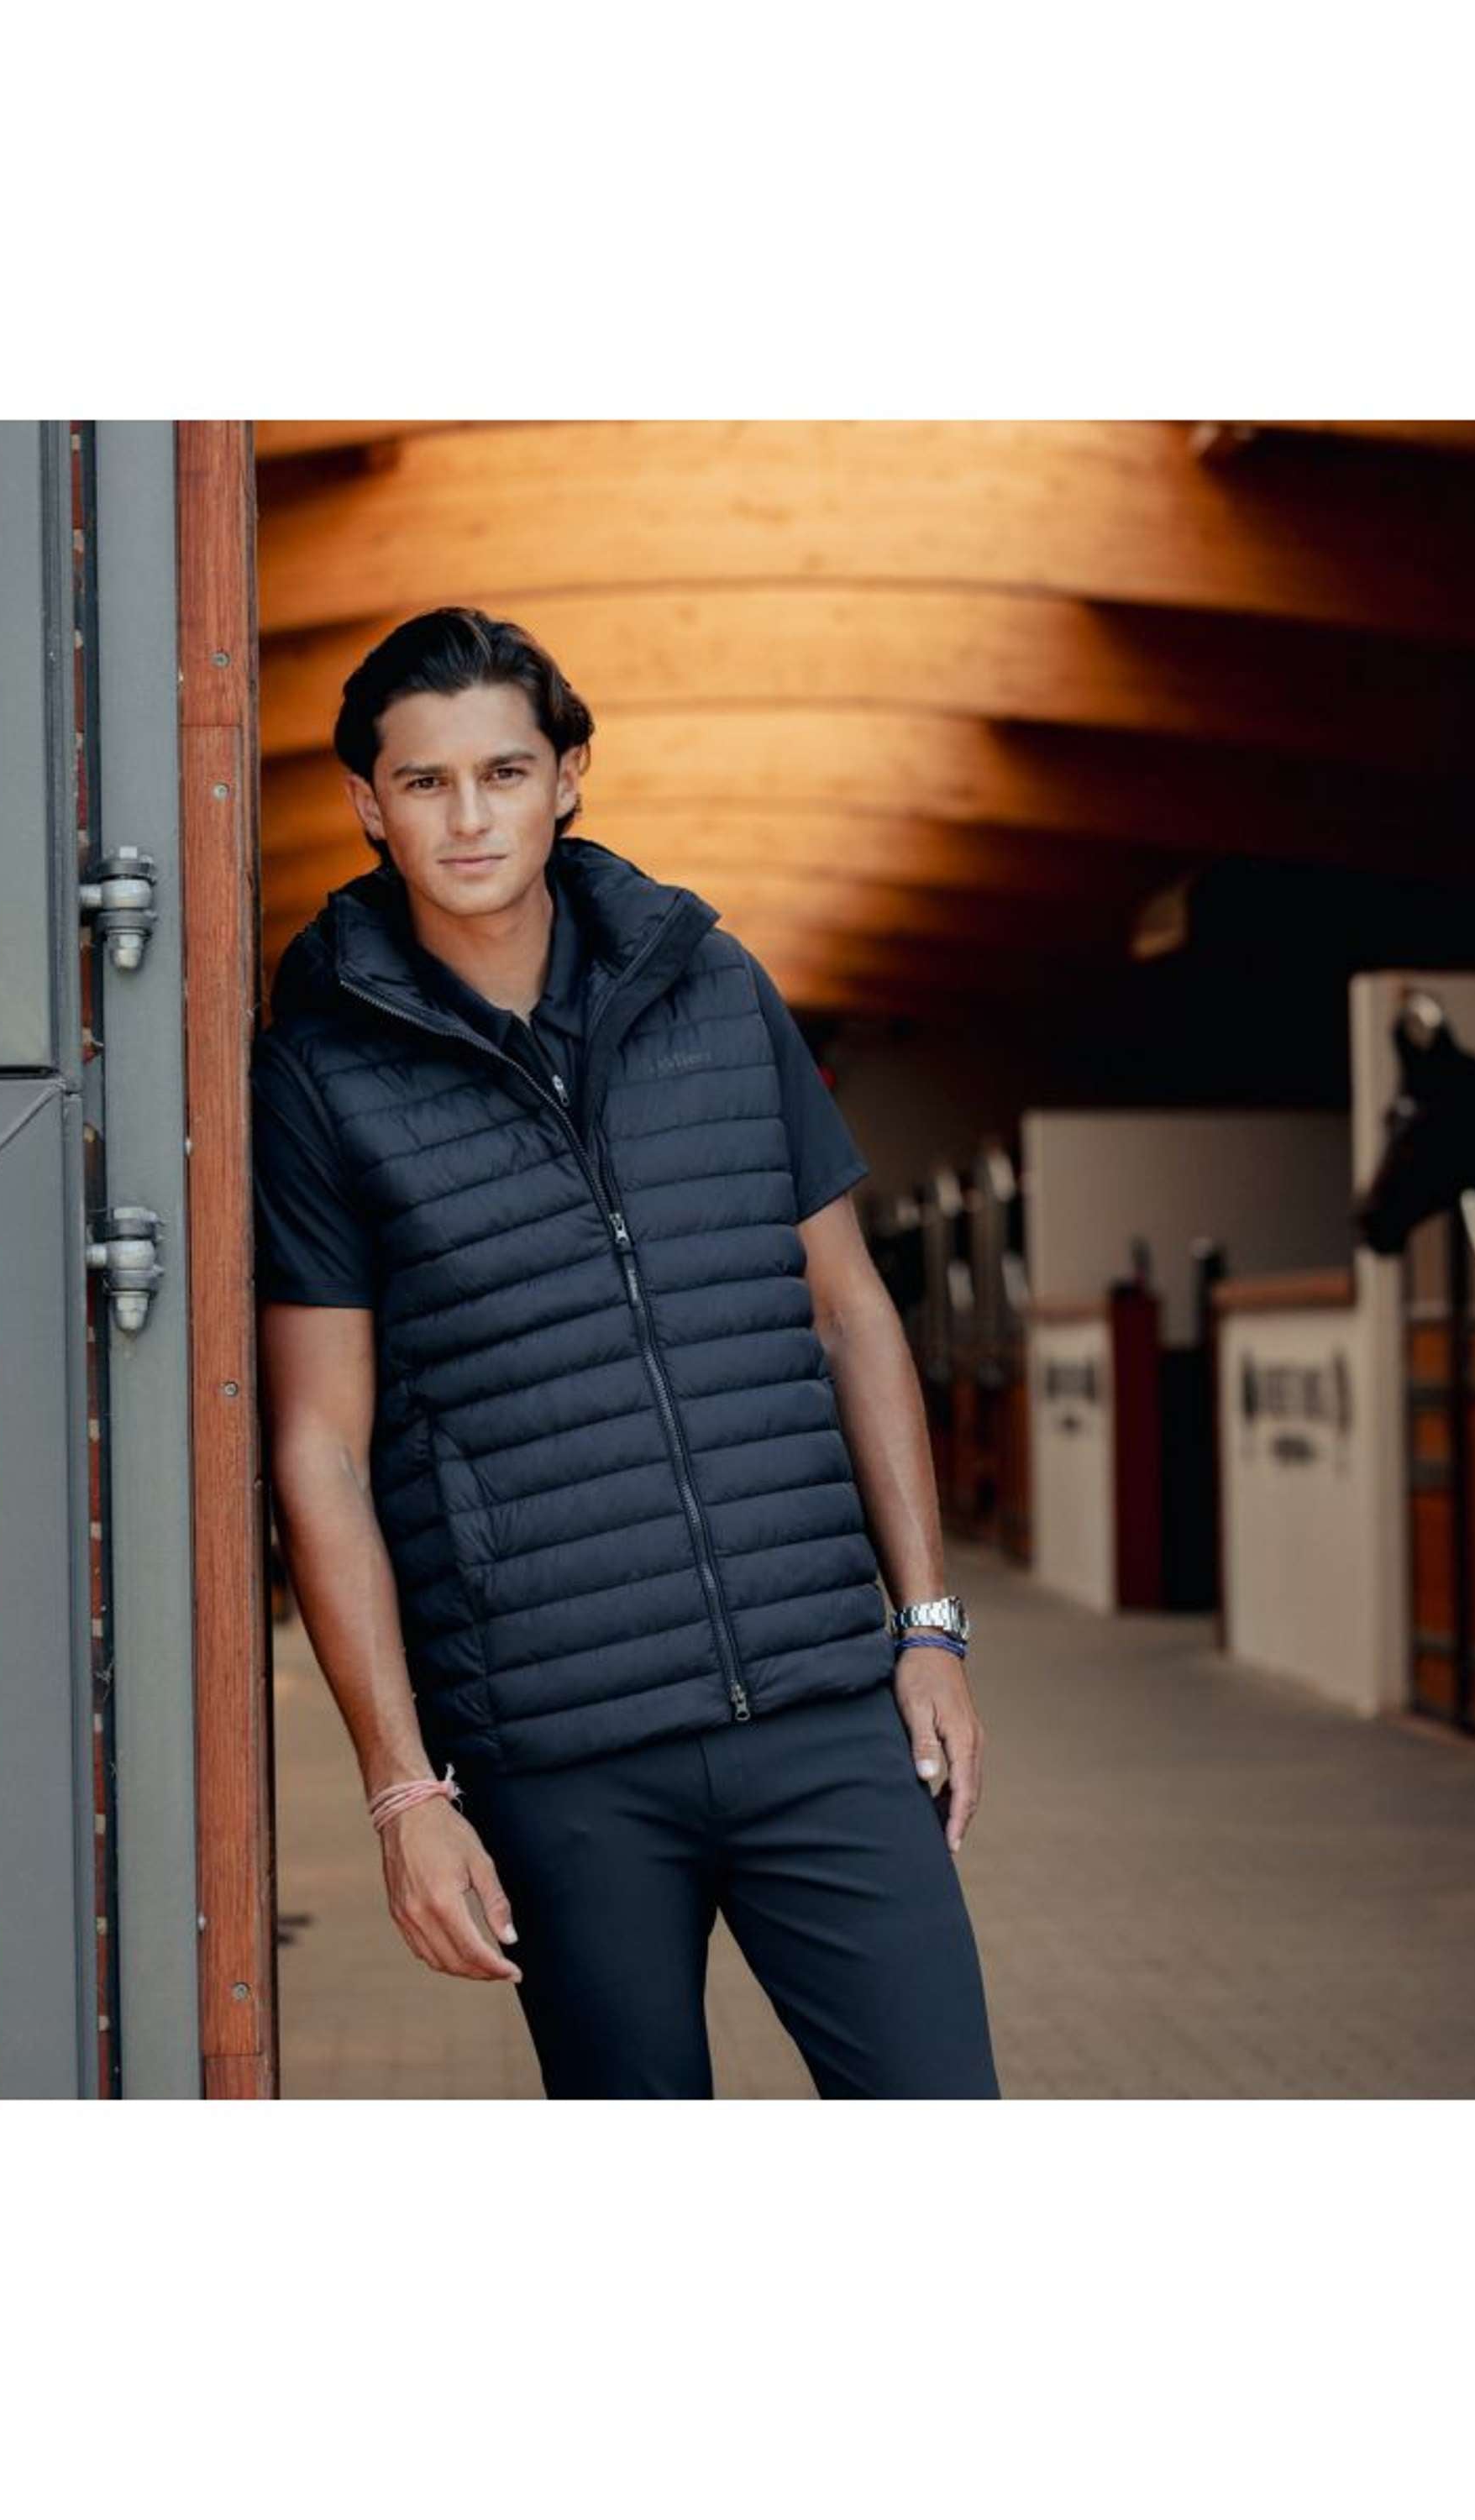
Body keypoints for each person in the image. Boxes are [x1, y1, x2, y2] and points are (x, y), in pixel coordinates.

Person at [250, 606, 1000, 2099]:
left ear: (569, 778)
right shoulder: (323, 1073)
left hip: (819, 1708)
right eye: (425, 782)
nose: (470, 818)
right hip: (559, 1760)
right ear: (367, 806)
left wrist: (928, 1626)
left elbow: (849, 1308)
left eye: (504, 773)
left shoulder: (712, 987)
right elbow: (318, 1445)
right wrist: (401, 1789)